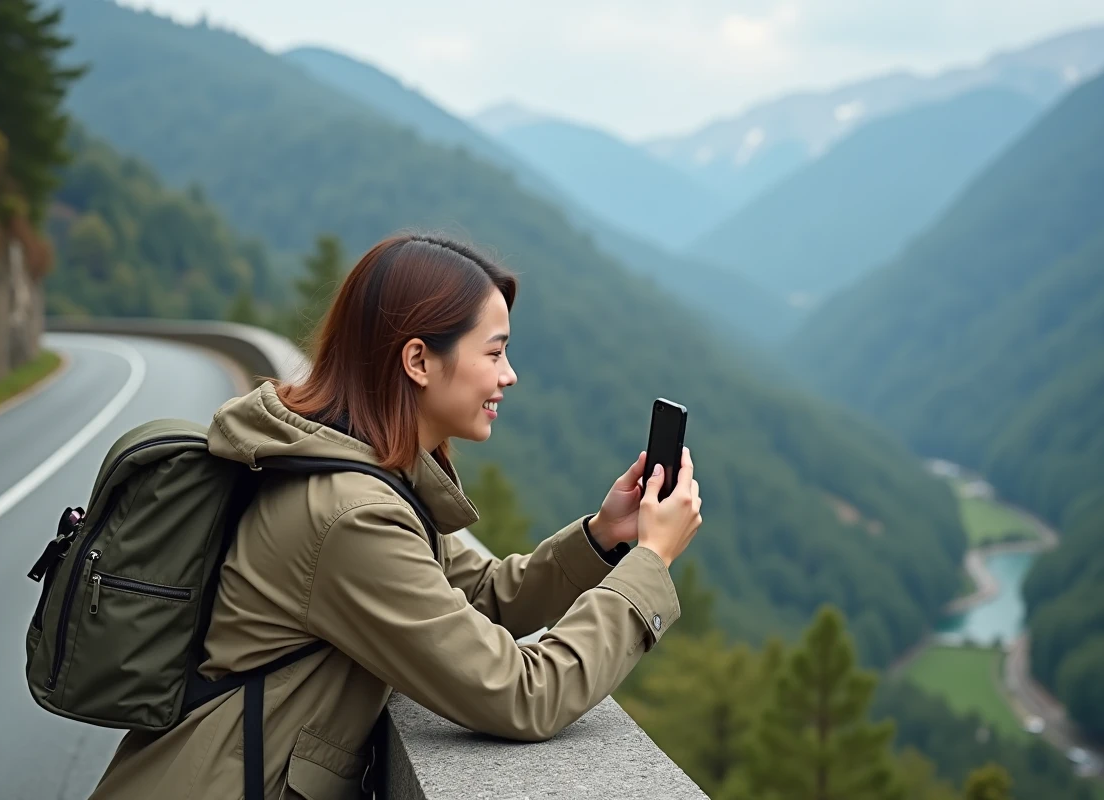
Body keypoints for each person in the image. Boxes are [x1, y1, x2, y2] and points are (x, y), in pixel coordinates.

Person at [88, 233, 703, 799]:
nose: (509, 376)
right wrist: (649, 565)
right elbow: (523, 695)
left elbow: (479, 593)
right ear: (418, 361)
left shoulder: (353, 468)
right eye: (495, 353)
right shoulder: (350, 517)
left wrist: (603, 538)